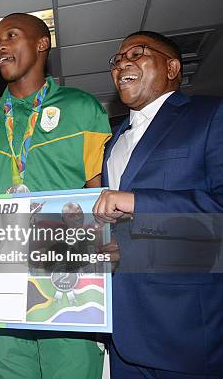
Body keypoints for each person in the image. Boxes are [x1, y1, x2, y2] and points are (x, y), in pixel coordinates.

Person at [0, 13, 111, 379]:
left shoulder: (82, 108)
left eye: (11, 36)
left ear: (42, 44)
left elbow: (99, 194)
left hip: (70, 275)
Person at [93, 30, 223, 377]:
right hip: (123, 332)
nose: (123, 63)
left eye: (138, 54)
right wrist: (117, 248)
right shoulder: (114, 141)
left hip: (186, 332)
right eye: (117, 59)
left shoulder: (211, 115)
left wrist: (138, 201)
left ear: (172, 68)